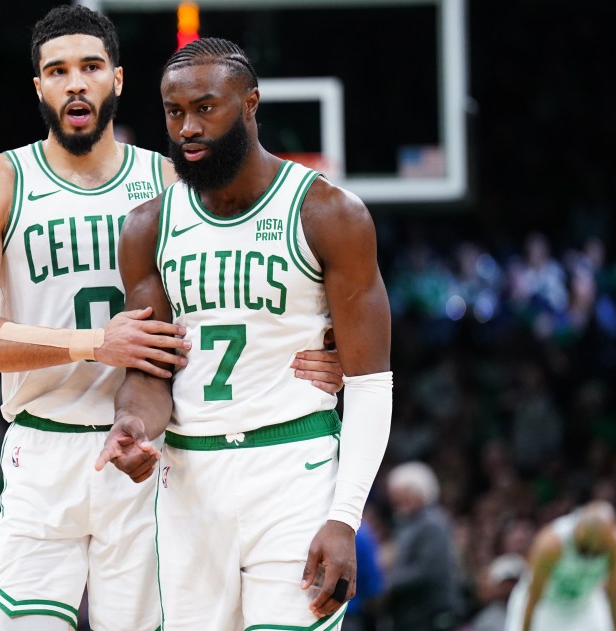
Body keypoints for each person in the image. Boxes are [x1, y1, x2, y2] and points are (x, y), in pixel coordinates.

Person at [0, 7, 343, 631]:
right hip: (43, 446)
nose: (75, 83)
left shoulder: (172, 180)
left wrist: (331, 346)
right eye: (58, 70)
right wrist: (94, 344)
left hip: (149, 453)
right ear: (38, 87)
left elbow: (266, 276)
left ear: (118, 80)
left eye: (90, 67)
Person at [95, 37, 393, 630]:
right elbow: (150, 374)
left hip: (293, 470)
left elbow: (370, 381)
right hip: (189, 480)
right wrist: (132, 424)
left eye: (207, 108)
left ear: (250, 103)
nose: (187, 128)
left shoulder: (329, 213)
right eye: (175, 112)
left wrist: (345, 516)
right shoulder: (147, 226)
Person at [504, 500, 616, 631]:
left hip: (584, 605)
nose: (590, 558)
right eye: (586, 550)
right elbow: (533, 596)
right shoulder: (551, 544)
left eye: (598, 552)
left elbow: (615, 594)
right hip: (544, 605)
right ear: (578, 531)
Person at [382, 462, 464, 631]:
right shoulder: (409, 523)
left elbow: (428, 570)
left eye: (400, 496)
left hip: (431, 615)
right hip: (413, 615)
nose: (395, 503)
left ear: (417, 494)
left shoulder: (432, 524)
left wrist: (386, 583)